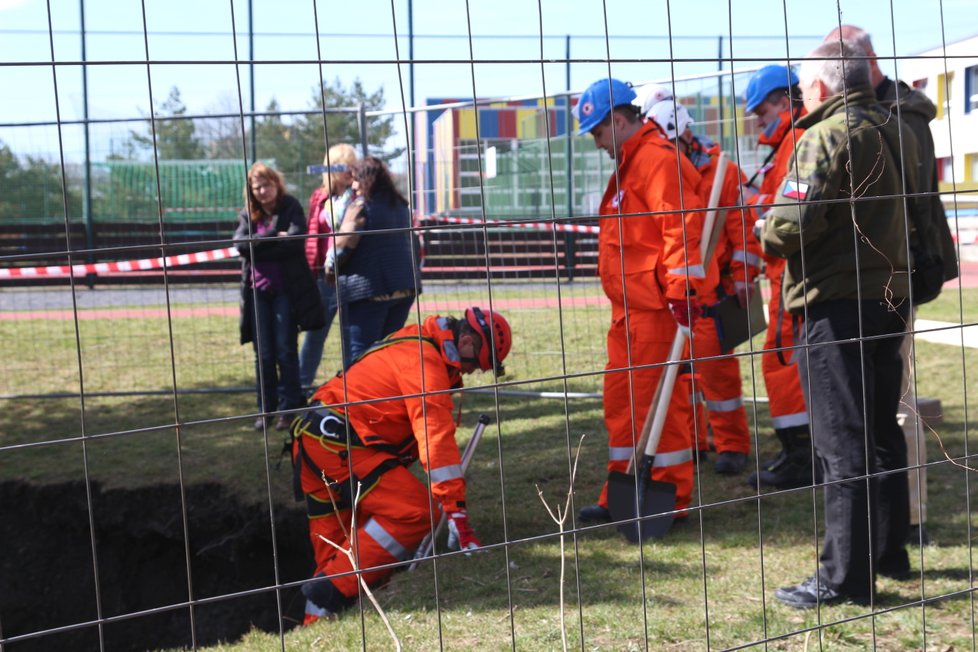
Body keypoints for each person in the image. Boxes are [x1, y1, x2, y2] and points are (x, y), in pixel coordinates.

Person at [760, 39, 919, 608]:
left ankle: (843, 577)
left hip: (835, 305)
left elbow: (786, 226)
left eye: (803, 87)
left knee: (840, 443)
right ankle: (888, 551)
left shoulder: (825, 135)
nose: (802, 96)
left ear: (822, 87)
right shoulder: (896, 128)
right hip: (888, 296)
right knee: (880, 430)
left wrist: (762, 226)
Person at [291, 307, 512, 624]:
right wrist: (456, 511)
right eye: (478, 362)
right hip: (339, 449)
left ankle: (313, 629)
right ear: (466, 340)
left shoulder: (419, 343)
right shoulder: (423, 361)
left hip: (317, 444)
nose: (474, 371)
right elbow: (434, 434)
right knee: (417, 512)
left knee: (339, 548)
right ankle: (331, 595)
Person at [825, 25, 958, 546]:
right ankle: (882, 522)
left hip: (890, 276)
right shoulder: (862, 115)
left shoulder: (902, 118)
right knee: (863, 407)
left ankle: (910, 518)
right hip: (856, 279)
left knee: (895, 403)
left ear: (863, 62)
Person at [573, 78, 714, 525]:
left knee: (662, 408)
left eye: (597, 132)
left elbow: (681, 230)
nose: (597, 143)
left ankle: (669, 500)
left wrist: (680, 295)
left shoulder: (655, 161)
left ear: (618, 121)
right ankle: (622, 489)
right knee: (622, 404)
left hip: (657, 311)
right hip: (630, 312)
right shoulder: (632, 165)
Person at [643, 95, 761, 475]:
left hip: (711, 291)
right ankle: (692, 441)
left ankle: (732, 445)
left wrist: (743, 278)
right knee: (679, 374)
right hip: (672, 289)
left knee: (717, 372)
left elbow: (742, 228)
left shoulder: (721, 171)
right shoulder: (659, 168)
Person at [741, 65, 815, 489]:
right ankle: (798, 451)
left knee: (784, 362)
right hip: (783, 274)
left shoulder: (796, 140)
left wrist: (758, 213)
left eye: (762, 108)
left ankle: (802, 456)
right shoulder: (787, 143)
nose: (757, 118)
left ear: (785, 103)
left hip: (790, 273)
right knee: (782, 360)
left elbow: (791, 209)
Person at [234, 162, 324, 431]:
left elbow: (296, 241)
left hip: (287, 292)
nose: (262, 191)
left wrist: (259, 246)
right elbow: (241, 245)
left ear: (276, 183)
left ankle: (289, 409)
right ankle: (265, 409)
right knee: (263, 353)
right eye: (256, 187)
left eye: (266, 184)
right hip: (256, 292)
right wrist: (274, 236)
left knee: (285, 350)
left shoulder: (290, 206)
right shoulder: (248, 214)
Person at [328, 156, 422, 369]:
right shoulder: (401, 206)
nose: (353, 185)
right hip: (404, 288)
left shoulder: (361, 207)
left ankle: (358, 401)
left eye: (357, 179)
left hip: (368, 291)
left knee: (360, 357)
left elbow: (344, 243)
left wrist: (331, 267)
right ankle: (383, 400)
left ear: (368, 180)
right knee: (386, 353)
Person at [298, 144, 358, 390]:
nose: (348, 171)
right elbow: (312, 235)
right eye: (343, 165)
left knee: (351, 338)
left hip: (353, 276)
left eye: (352, 165)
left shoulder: (359, 196)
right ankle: (301, 388)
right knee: (315, 335)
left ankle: (352, 389)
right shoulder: (318, 197)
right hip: (324, 278)